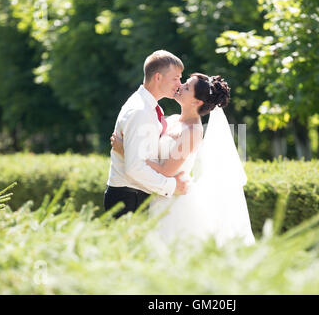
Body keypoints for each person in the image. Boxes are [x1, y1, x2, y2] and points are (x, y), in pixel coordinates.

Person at [111, 73, 255, 246]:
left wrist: (127, 151)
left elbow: (166, 170)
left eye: (187, 87)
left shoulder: (193, 131)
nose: (180, 86)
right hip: (158, 194)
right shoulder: (170, 120)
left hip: (175, 204)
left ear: (196, 102)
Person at [104, 50, 189, 219]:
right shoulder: (140, 110)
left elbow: (143, 155)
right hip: (128, 198)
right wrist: (171, 186)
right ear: (158, 77)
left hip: (135, 195)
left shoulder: (151, 108)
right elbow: (135, 167)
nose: (179, 84)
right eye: (175, 78)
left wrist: (126, 151)